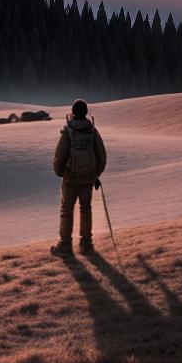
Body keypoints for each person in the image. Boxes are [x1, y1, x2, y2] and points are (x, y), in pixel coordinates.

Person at [51, 98, 107, 257]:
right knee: (86, 209)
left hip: (70, 179)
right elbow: (101, 155)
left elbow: (59, 156)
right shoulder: (92, 131)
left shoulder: (68, 132)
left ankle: (65, 246)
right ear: (86, 113)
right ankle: (86, 244)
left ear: (73, 112)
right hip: (88, 178)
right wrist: (96, 173)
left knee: (66, 211)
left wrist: (61, 173)